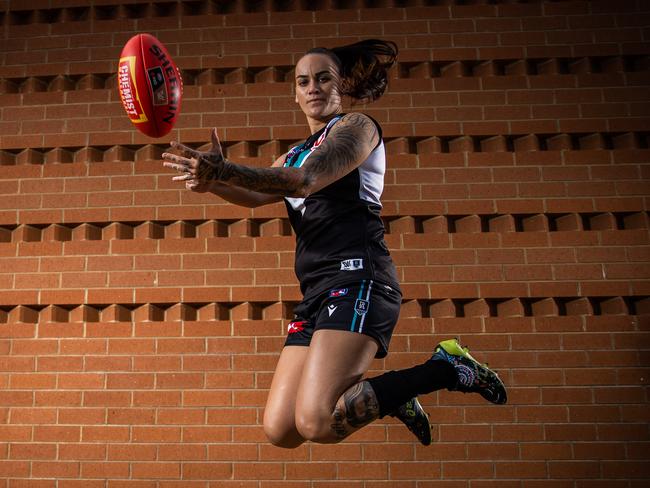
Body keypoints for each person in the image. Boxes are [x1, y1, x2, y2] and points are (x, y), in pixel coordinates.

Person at [162, 39, 507, 448]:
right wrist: (212, 182)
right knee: (281, 430)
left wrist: (229, 169)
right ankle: (391, 396)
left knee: (319, 422)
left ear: (342, 85)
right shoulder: (293, 154)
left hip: (359, 278)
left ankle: (445, 368)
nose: (313, 87)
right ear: (294, 93)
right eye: (303, 81)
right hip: (316, 292)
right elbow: (255, 196)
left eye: (324, 78)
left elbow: (306, 181)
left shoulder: (357, 128)